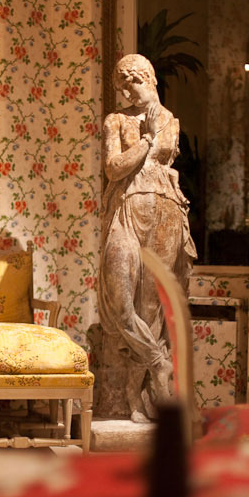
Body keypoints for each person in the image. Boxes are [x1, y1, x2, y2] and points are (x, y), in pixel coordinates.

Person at [97, 54, 197, 422]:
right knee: (120, 306)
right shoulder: (116, 120)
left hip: (165, 212)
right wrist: (146, 139)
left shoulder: (169, 120)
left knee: (151, 308)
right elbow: (114, 168)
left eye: (133, 82)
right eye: (121, 86)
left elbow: (162, 157)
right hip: (125, 211)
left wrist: (155, 130)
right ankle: (158, 362)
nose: (127, 92)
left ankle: (135, 396)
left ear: (150, 79)